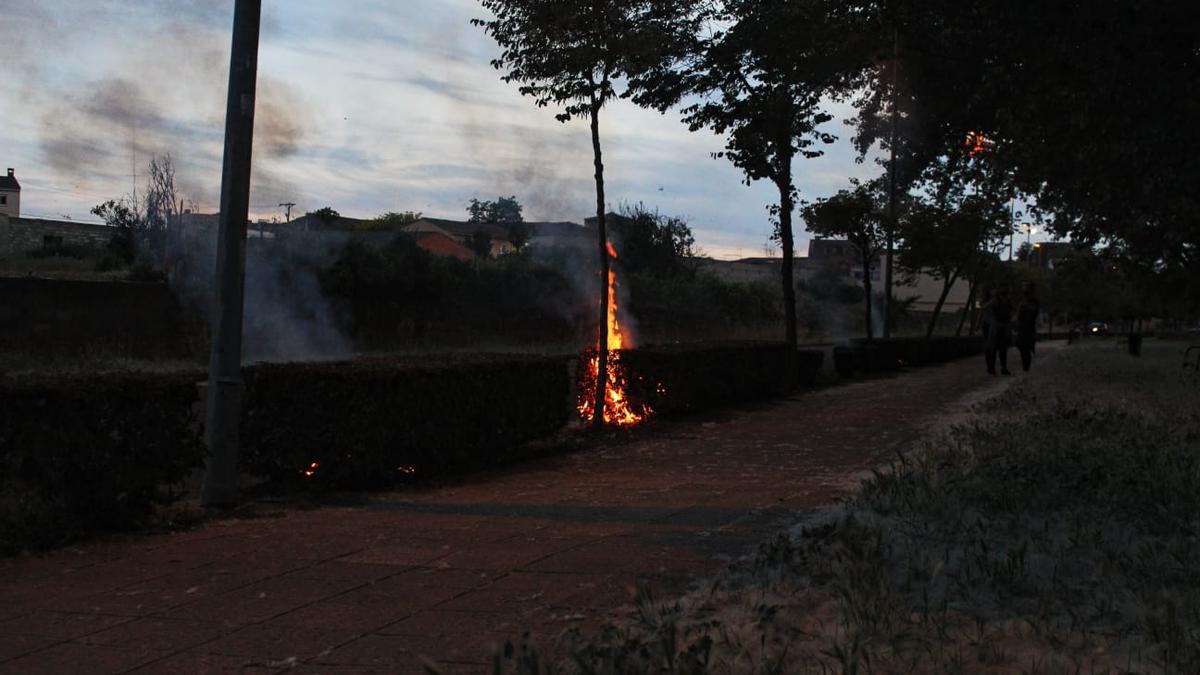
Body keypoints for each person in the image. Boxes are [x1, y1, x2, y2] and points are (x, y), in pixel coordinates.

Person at [983, 286, 1013, 375]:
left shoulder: (1007, 301)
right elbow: (984, 308)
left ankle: (1003, 368)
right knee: (994, 348)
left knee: (1002, 349)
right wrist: (992, 319)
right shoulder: (995, 301)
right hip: (996, 327)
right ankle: (992, 368)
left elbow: (1011, 311)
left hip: (1003, 327)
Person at [1015, 283, 1040, 371]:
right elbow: (1018, 313)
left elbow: (1035, 312)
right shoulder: (1022, 301)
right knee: (1020, 345)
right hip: (1021, 327)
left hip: (1029, 327)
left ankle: (1026, 366)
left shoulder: (1033, 301)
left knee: (1027, 346)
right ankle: (1025, 364)